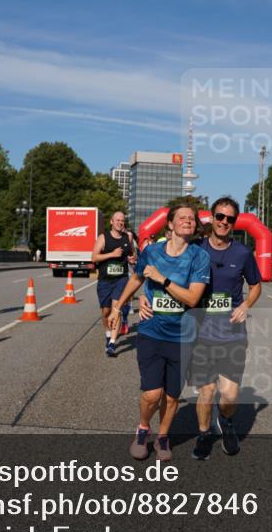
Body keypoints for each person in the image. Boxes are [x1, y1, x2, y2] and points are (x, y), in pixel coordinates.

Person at [142, 198, 262, 460]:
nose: (224, 222)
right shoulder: (194, 248)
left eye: (230, 219)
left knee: (229, 396)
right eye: (220, 216)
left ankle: (226, 421)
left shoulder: (242, 253)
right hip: (200, 334)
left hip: (232, 334)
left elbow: (256, 285)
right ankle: (205, 434)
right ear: (213, 218)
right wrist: (143, 297)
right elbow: (158, 270)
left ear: (235, 223)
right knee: (206, 392)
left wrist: (246, 305)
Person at [109, 204, 209, 462]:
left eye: (192, 218)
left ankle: (163, 437)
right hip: (152, 331)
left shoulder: (199, 257)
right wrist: (119, 307)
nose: (188, 221)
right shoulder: (151, 252)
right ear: (170, 225)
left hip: (183, 336)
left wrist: (162, 279)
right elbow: (136, 279)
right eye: (182, 218)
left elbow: (192, 298)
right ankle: (143, 428)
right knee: (153, 393)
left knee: (172, 396)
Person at [93, 211, 138, 357]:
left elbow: (132, 255)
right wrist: (112, 254)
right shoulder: (103, 238)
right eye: (117, 220)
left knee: (116, 309)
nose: (120, 222)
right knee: (106, 312)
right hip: (105, 280)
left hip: (121, 279)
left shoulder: (127, 237)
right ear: (111, 222)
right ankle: (108, 333)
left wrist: (132, 259)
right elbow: (94, 257)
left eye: (122, 221)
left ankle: (112, 343)